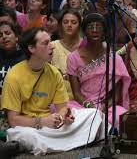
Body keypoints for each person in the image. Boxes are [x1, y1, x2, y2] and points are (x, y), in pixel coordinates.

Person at [1, 27, 104, 155]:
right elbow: (14, 120)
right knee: (26, 135)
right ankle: (75, 141)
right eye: (46, 43)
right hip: (29, 127)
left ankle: (53, 144)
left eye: (51, 41)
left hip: (50, 126)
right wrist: (42, 122)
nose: (52, 46)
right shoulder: (14, 76)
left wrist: (63, 117)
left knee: (93, 114)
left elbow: (62, 108)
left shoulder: (54, 73)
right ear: (31, 48)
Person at [67, 13, 130, 127]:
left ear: (104, 32)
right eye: (91, 27)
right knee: (71, 116)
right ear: (84, 32)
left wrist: (103, 108)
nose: (95, 30)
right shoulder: (73, 58)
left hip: (107, 107)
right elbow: (76, 93)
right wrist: (90, 107)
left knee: (120, 117)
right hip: (82, 105)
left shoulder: (114, 58)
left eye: (98, 27)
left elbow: (116, 95)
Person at [51, 10, 82, 101]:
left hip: (83, 99)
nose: (69, 25)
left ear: (79, 25)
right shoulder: (52, 46)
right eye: (65, 22)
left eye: (73, 22)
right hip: (56, 99)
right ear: (60, 25)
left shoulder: (87, 47)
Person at [0, 21, 25, 96]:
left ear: (16, 37)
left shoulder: (26, 57)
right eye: (0, 35)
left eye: (7, 33)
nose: (4, 37)